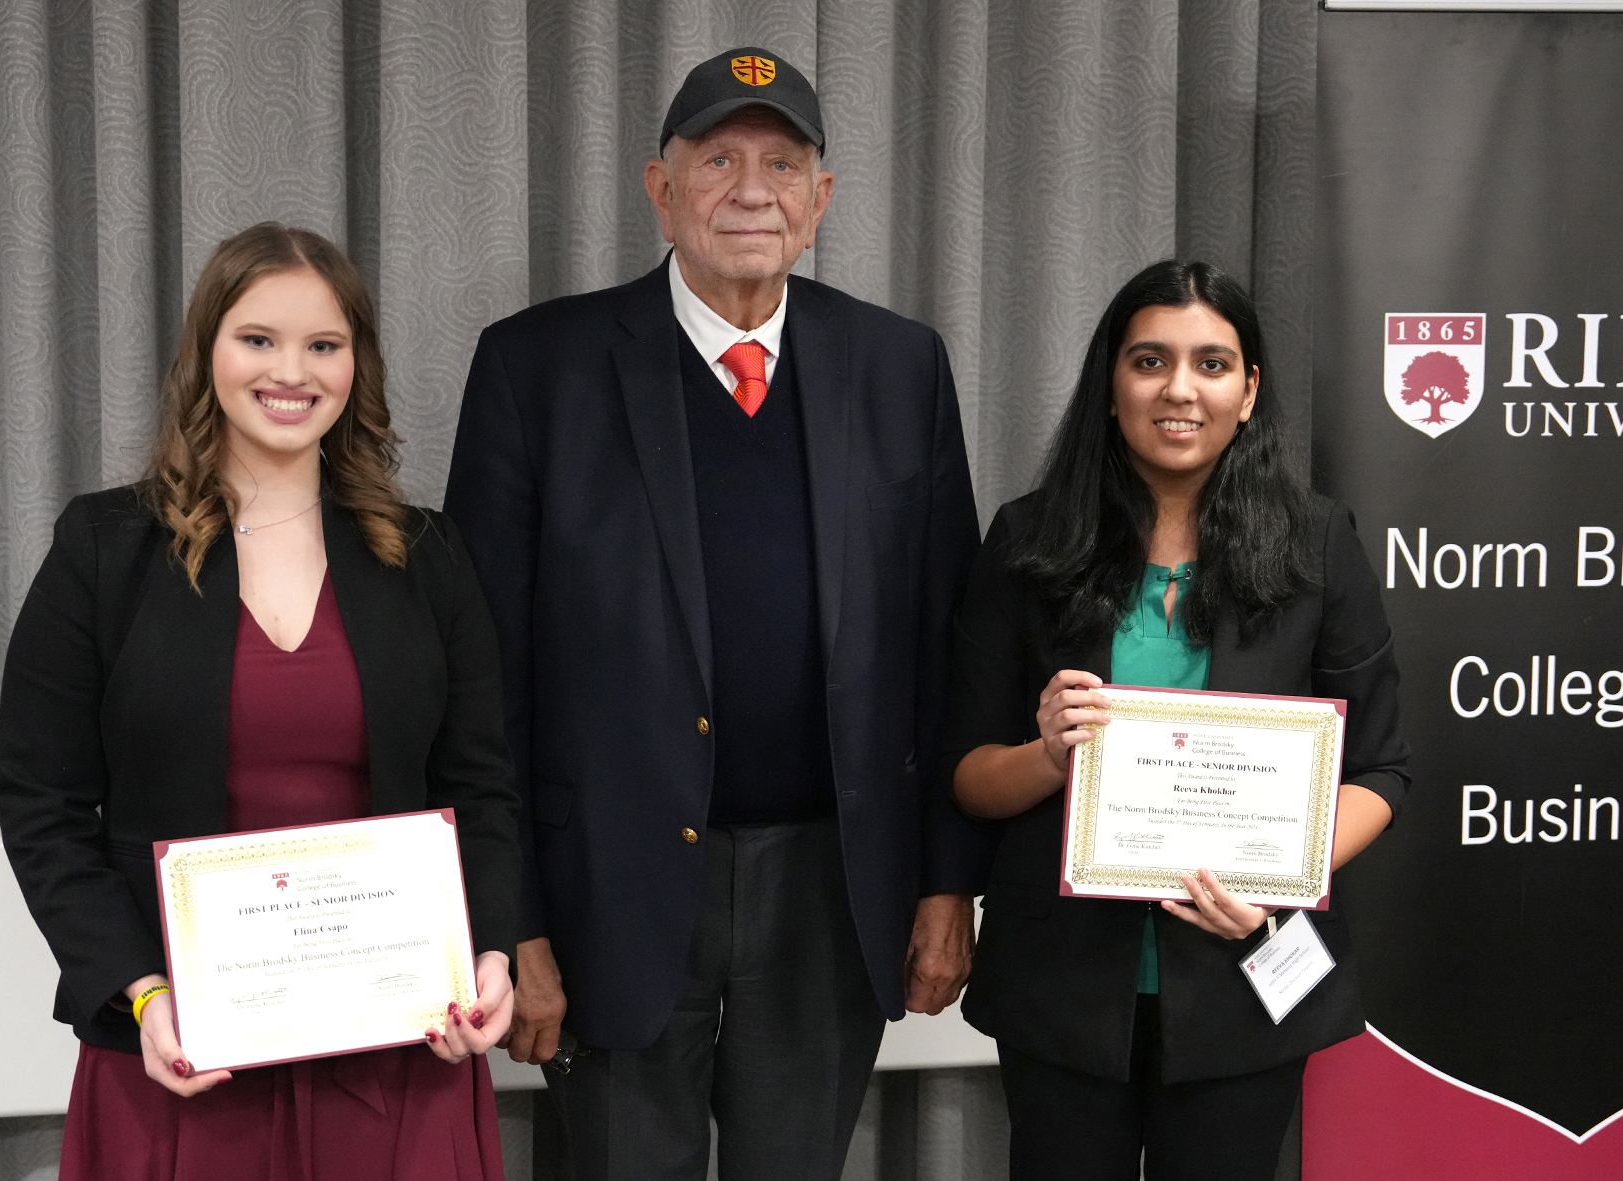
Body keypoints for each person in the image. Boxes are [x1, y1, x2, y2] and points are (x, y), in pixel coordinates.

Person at [442, 46, 990, 1181]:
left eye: (783, 163)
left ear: (823, 198)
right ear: (659, 185)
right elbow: (479, 678)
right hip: (611, 888)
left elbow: (953, 652)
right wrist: (510, 920)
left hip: (831, 889)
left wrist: (946, 883)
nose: (753, 190)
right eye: (721, 159)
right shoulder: (535, 369)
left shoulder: (899, 367)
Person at [0, 223, 521, 1180]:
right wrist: (144, 995)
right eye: (258, 339)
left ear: (356, 363)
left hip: (399, 1056)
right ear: (207, 355)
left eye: (324, 344)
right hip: (181, 1063)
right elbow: (43, 804)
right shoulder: (104, 551)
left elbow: (482, 789)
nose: (293, 371)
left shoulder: (429, 556)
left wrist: (487, 953)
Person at [944, 260, 1411, 1180]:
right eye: (1150, 360)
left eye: (1212, 363)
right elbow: (967, 772)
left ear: (1249, 392)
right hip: (1064, 987)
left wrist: (1280, 873)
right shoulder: (1029, 542)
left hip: (1247, 975)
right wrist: (1046, 755)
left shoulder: (1318, 545)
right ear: (1110, 383)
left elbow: (1382, 770)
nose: (1180, 389)